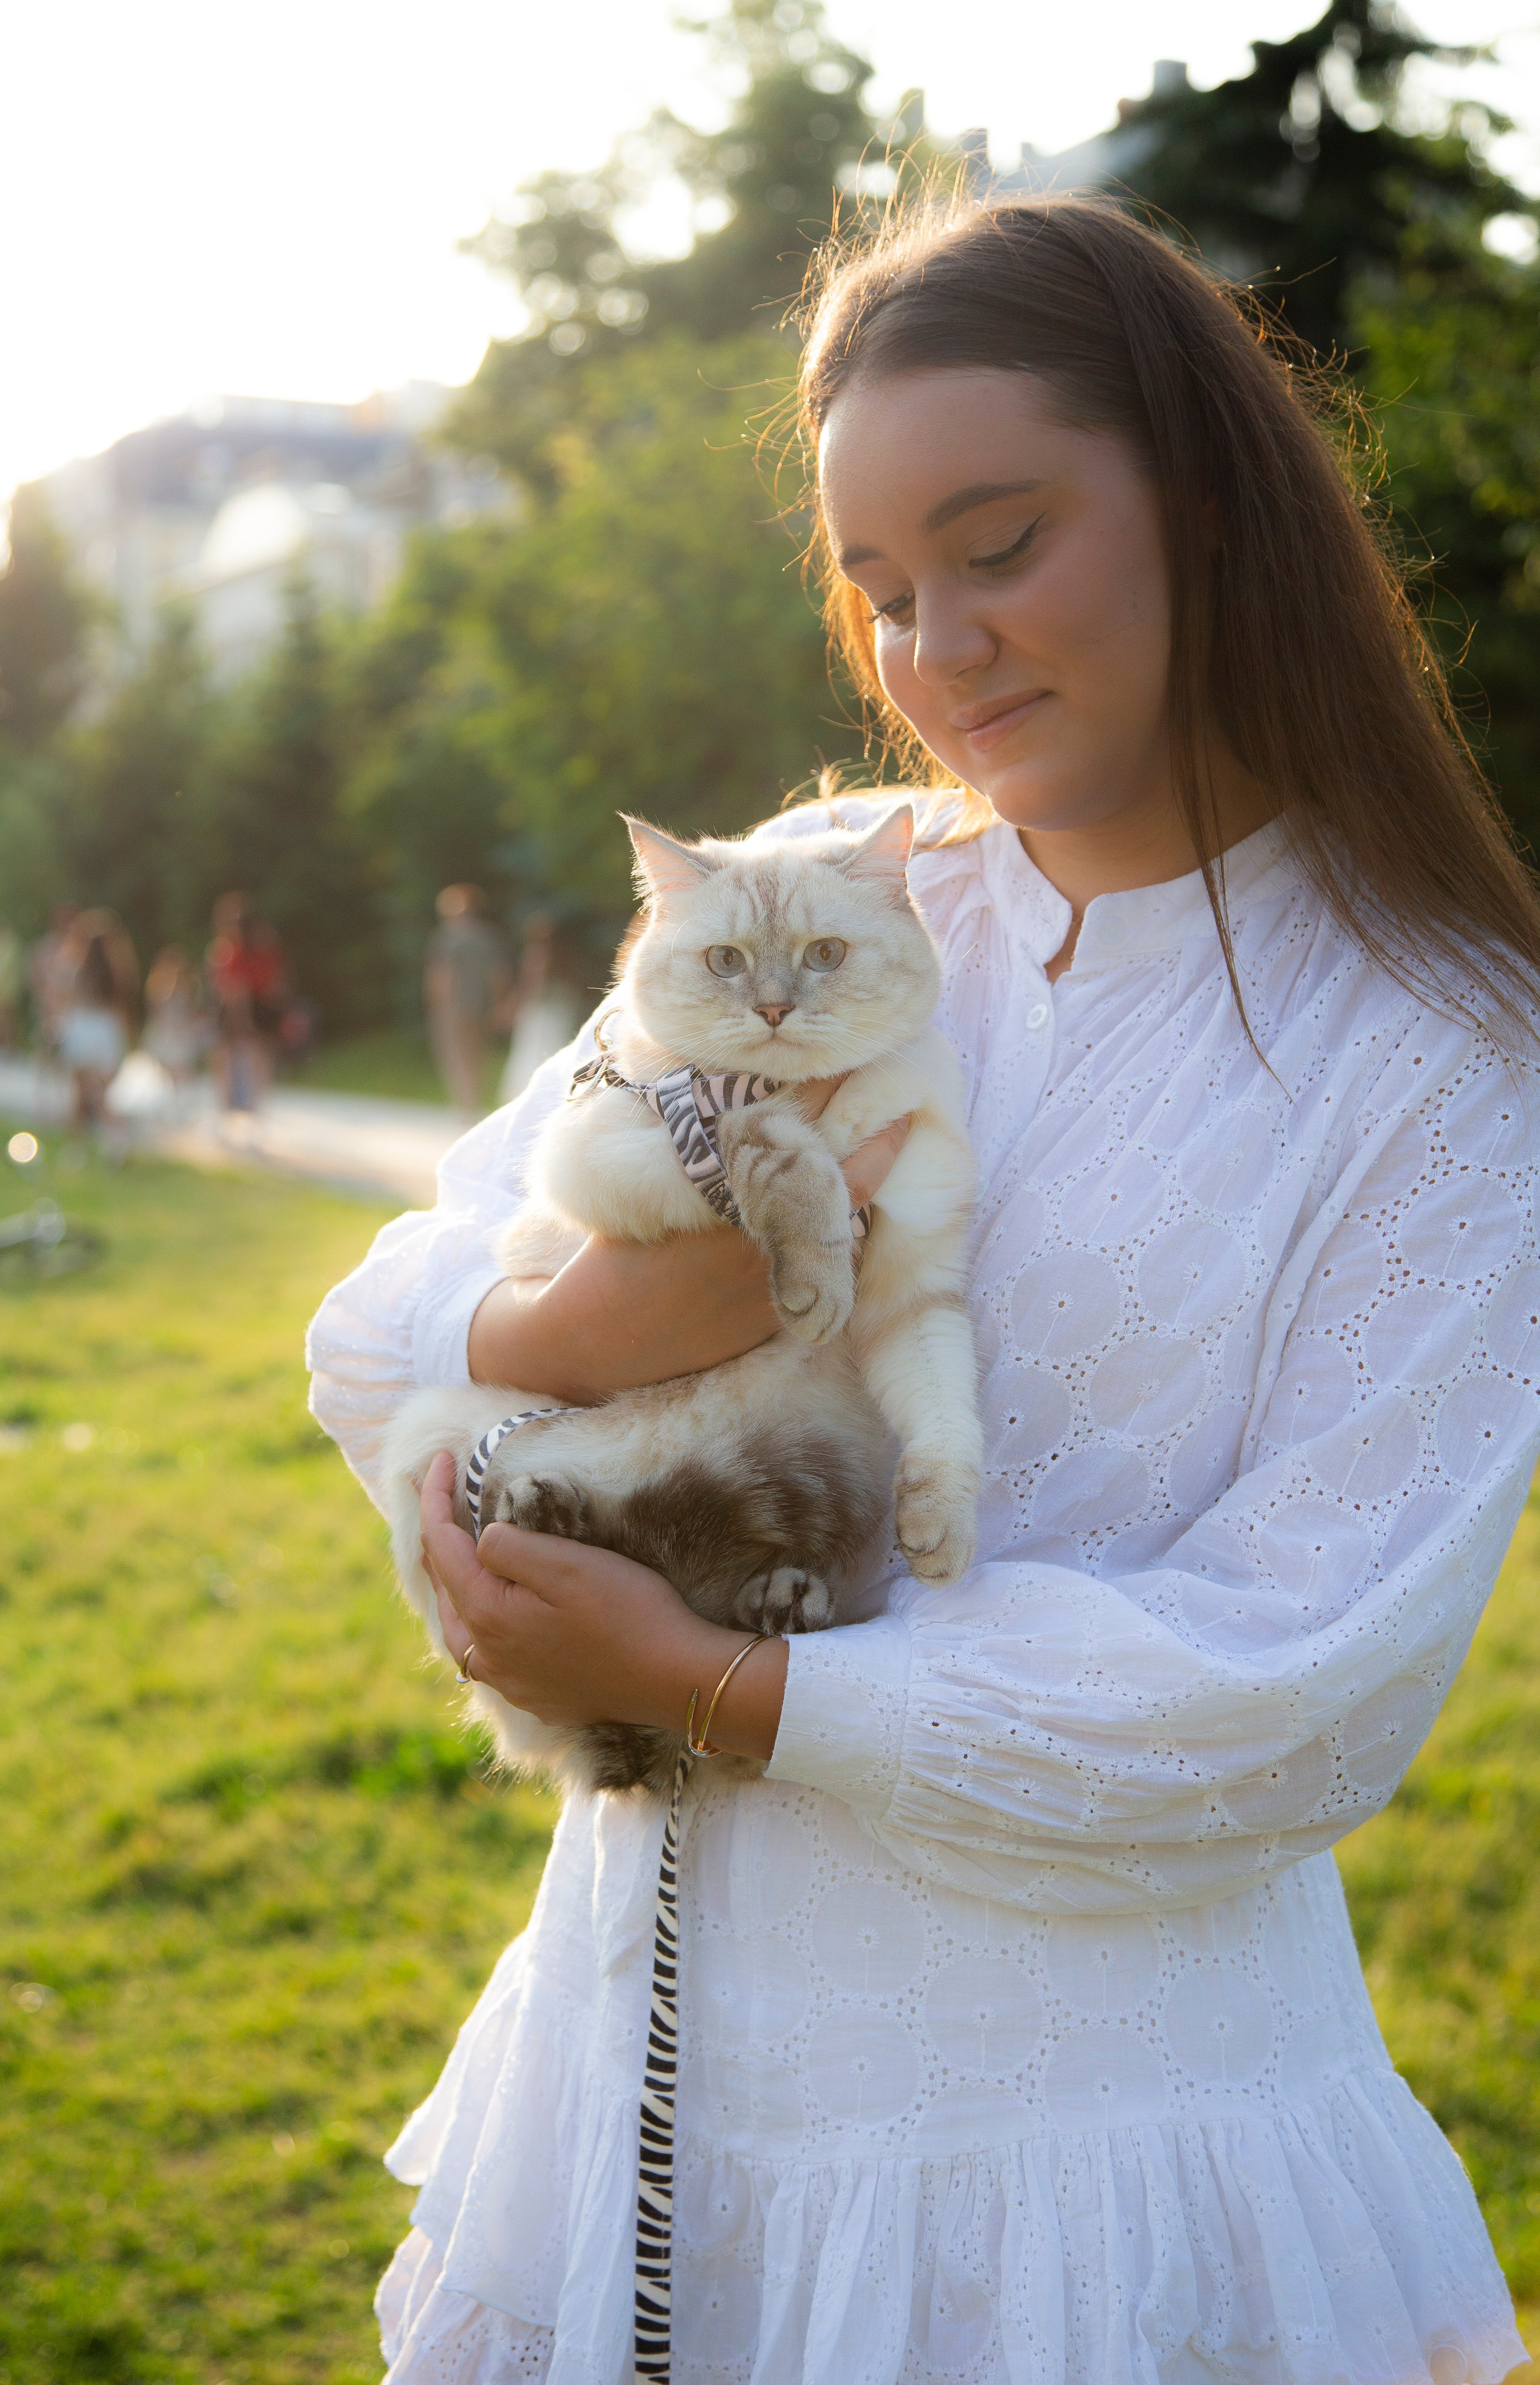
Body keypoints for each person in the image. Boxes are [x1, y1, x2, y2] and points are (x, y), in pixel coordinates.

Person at [306, 197, 1540, 2383]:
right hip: (646, 2078)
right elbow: (384, 1314)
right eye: (880, 589)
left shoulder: (1437, 1047)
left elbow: (1296, 1677)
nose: (937, 647)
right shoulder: (834, 898)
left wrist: (721, 1686)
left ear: (1207, 501)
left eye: (1000, 545)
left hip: (1077, 2170)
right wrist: (569, 1336)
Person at [425, 884, 510, 1116]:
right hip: (482, 1005)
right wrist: (499, 1004)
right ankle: (475, 1100)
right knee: (479, 1054)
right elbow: (498, 975)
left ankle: (465, 1105)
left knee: (455, 1055)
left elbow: (442, 976)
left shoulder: (447, 937)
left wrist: (437, 1005)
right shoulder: (488, 936)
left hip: (454, 1006)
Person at [56, 908, 137, 1142]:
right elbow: (124, 1004)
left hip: (83, 1028)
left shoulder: (78, 966)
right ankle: (114, 1138)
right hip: (107, 1030)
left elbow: (68, 998)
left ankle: (77, 1143)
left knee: (81, 1093)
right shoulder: (119, 969)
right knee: (102, 1094)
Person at [206, 893, 289, 1114]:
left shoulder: (233, 950)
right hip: (256, 1007)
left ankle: (235, 1105)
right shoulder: (261, 945)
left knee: (233, 1055)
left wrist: (242, 1018)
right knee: (254, 1055)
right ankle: (252, 1105)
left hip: (245, 1008)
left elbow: (234, 988)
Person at [496, 911, 585, 1107]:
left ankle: (530, 1094)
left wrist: (512, 1008)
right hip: (557, 1010)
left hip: (542, 1012)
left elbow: (529, 987)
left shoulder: (538, 956)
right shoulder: (567, 957)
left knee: (535, 1050)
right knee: (552, 1049)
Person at [142, 946, 210, 1108]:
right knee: (168, 1071)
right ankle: (172, 1101)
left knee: (183, 1070)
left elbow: (190, 1012)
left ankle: (184, 1101)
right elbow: (156, 1013)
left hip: (181, 1034)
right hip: (165, 1034)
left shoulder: (187, 987)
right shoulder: (156, 986)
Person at [28, 902, 80, 1063]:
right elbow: (35, 972)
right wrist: (43, 995)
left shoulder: (80, 948)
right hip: (48, 1002)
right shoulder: (46, 946)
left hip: (72, 1005)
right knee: (46, 1040)